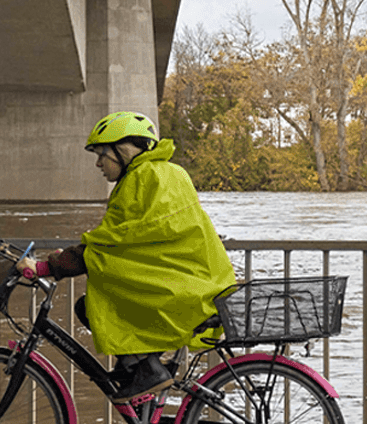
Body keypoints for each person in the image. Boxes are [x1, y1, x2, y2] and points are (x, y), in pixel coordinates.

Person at [20, 111, 236, 401]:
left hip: (179, 293)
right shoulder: (171, 172)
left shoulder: (139, 180)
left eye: (102, 153)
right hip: (200, 284)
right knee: (101, 304)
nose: (98, 163)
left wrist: (47, 266)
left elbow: (108, 246)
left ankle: (147, 370)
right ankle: (133, 367)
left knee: (92, 307)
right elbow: (137, 242)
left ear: (123, 150)